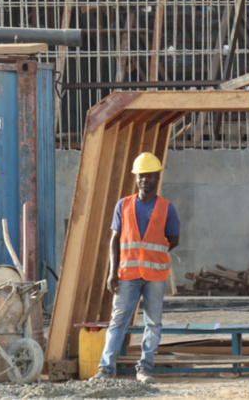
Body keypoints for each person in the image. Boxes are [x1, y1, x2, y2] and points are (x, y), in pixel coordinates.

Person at [91, 152, 181, 383]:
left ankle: (144, 368)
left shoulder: (167, 208)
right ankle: (105, 369)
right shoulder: (123, 205)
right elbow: (115, 239)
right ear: (136, 178)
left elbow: (174, 238)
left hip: (155, 275)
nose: (145, 180)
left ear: (157, 178)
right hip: (127, 274)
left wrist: (155, 255)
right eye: (141, 176)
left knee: (153, 322)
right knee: (118, 321)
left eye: (149, 176)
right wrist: (112, 271)